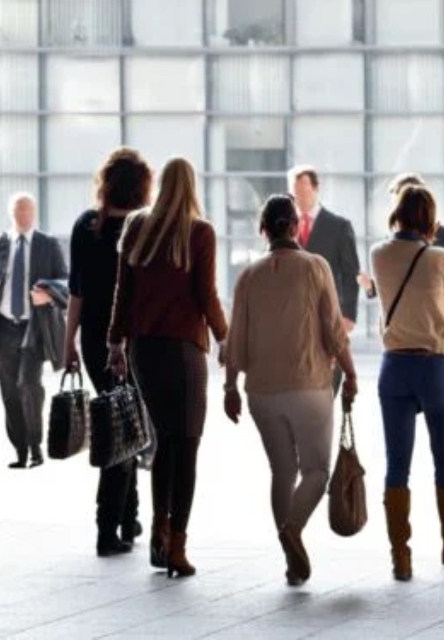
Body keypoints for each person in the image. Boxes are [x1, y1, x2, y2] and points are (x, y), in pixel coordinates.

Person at [223, 194, 359, 586]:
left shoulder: (249, 276)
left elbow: (236, 339)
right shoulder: (316, 267)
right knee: (316, 470)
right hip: (310, 385)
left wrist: (230, 386)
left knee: (281, 471)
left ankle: (290, 559)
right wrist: (350, 373)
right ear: (296, 227)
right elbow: (334, 329)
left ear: (263, 229)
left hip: (261, 391)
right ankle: (292, 529)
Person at [108, 157, 229, 579]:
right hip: (184, 351)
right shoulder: (199, 232)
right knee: (187, 446)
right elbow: (206, 294)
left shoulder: (137, 227)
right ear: (192, 186)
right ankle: (177, 544)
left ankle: (160, 530)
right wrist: (225, 337)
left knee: (163, 442)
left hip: (144, 351)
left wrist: (115, 342)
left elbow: (123, 291)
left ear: (161, 184)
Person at [370, 184, 444, 582]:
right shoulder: (438, 256)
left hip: (393, 366)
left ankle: (401, 555)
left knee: (397, 463)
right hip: (434, 367)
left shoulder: (378, 254)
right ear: (429, 217)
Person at [65, 148, 150, 557]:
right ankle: (108, 526)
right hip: (135, 340)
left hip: (95, 337)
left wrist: (68, 345)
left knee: (120, 419)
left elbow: (76, 293)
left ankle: (128, 518)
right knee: (124, 426)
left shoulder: (87, 226)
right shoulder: (144, 226)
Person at [0, 193, 70, 469]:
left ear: (35, 213)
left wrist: (49, 296)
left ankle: (36, 445)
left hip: (34, 326)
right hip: (3, 326)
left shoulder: (48, 244)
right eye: (18, 211)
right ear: (11, 213)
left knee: (29, 386)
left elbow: (65, 280)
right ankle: (20, 450)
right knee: (9, 391)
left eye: (27, 210)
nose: (23, 215)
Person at [360, 173, 444, 365]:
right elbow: (392, 283)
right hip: (408, 337)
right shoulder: (387, 245)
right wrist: (371, 287)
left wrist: (442, 282)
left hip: (432, 329)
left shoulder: (441, 238)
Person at [289, 165, 360, 391]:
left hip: (329, 313)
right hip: (295, 316)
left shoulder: (339, 226)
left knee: (329, 379)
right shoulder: (285, 226)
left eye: (304, 189)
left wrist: (349, 313)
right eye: (295, 190)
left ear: (316, 189)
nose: (299, 195)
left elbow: (351, 273)